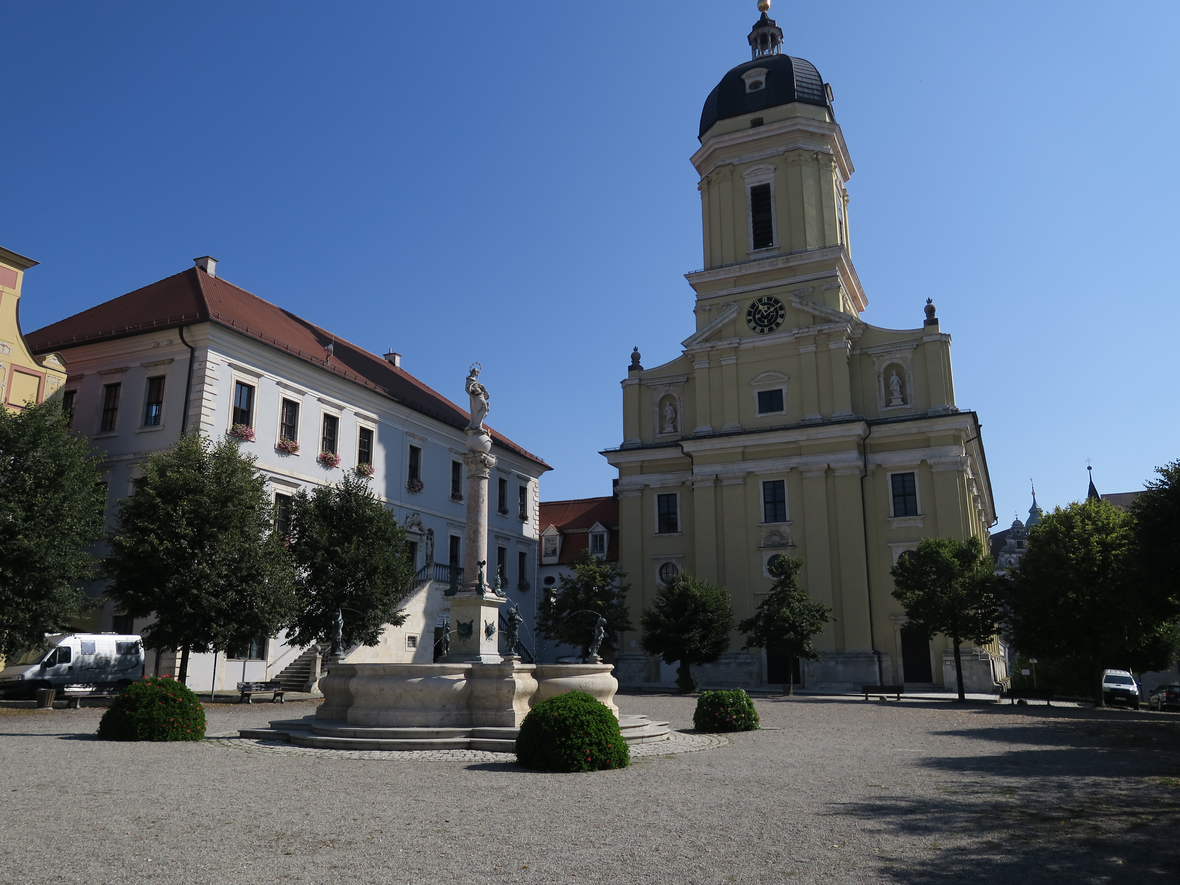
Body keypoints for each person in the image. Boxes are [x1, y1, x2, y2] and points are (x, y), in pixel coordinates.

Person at [466, 364, 490, 432]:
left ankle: (478, 424)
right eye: (477, 372)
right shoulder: (469, 379)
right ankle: (477, 425)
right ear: (473, 372)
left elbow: (486, 396)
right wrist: (473, 391)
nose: (477, 374)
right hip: (476, 396)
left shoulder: (476, 380)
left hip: (480, 395)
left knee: (485, 409)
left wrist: (483, 388)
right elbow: (467, 388)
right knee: (483, 408)